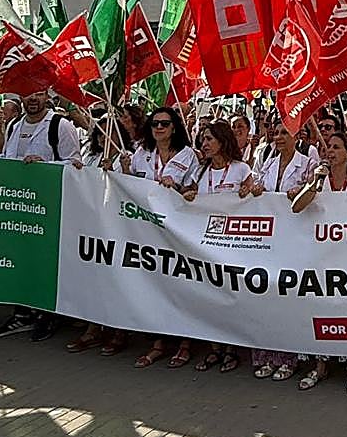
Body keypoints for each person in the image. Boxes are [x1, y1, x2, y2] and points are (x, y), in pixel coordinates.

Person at [0, 90, 80, 342]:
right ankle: (22, 314)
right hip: (18, 207)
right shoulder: (15, 124)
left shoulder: (60, 125)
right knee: (20, 260)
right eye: (28, 95)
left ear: (46, 96)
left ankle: (48, 315)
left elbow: (76, 165)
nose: (32, 99)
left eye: (37, 94)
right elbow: (9, 161)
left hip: (49, 207)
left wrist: (45, 166)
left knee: (44, 262)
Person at [290, 131, 347, 394]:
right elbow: (297, 207)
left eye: (337, 147)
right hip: (323, 257)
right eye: (329, 146)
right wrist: (314, 183)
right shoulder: (318, 179)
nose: (330, 151)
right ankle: (320, 366)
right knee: (322, 310)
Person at [122, 107, 199, 369]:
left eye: (165, 124)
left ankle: (185, 343)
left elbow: (195, 190)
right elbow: (129, 186)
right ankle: (158, 343)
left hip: (179, 232)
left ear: (174, 127)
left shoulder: (188, 155)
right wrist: (122, 170)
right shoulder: (142, 154)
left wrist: (177, 188)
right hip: (147, 232)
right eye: (155, 124)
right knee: (155, 286)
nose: (159, 128)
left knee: (180, 287)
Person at [183, 121, 254, 375]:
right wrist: (188, 194)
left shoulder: (241, 169)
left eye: (209, 139)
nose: (204, 144)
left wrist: (250, 191)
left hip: (233, 245)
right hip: (204, 245)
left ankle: (232, 350)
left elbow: (256, 197)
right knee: (208, 298)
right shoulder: (200, 172)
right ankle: (215, 349)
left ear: (222, 142)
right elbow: (186, 194)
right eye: (202, 139)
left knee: (230, 298)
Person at [249, 121, 316, 382]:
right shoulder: (268, 161)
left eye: (284, 132)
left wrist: (302, 190)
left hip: (294, 239)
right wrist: (254, 188)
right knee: (265, 297)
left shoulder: (308, 162)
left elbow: (314, 191)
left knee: (288, 298)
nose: (278, 137)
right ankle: (266, 355)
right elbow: (257, 183)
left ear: (296, 135)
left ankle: (290, 358)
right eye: (275, 132)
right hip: (267, 241)